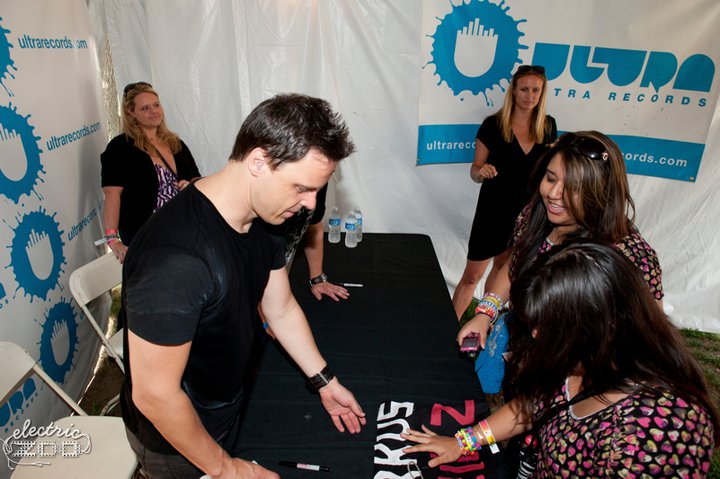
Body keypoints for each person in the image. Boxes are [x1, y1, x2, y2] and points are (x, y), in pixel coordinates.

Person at [119, 93, 366, 479]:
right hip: (178, 440)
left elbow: (279, 308)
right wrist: (228, 470)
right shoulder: (176, 259)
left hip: (226, 405)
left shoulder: (265, 218)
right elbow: (155, 395)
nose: (309, 204)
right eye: (302, 187)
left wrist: (324, 381)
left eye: (317, 190)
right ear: (258, 162)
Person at [402, 241, 718, 476]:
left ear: (597, 324)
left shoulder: (660, 431)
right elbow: (533, 406)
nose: (537, 336)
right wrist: (464, 441)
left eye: (549, 326)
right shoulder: (581, 361)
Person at [458, 131, 664, 350]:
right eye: (550, 178)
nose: (554, 194)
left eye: (573, 187)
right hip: (517, 351)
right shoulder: (533, 216)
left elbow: (651, 335)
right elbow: (514, 265)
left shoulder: (631, 255)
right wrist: (485, 314)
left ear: (601, 191)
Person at [452, 65, 557, 320]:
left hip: (527, 214)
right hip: (493, 211)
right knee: (471, 276)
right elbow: (475, 170)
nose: (529, 95)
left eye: (535, 90)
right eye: (524, 89)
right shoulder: (493, 125)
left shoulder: (548, 126)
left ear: (542, 93)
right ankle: (445, 333)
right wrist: (482, 171)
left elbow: (551, 171)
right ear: (513, 91)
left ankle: (483, 324)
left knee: (502, 271)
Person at [101, 81, 201, 263]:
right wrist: (112, 239)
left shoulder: (175, 143)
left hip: (184, 226)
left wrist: (190, 186)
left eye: (156, 105)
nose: (153, 111)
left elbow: (196, 179)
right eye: (145, 108)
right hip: (146, 234)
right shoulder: (120, 148)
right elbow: (111, 194)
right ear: (131, 113)